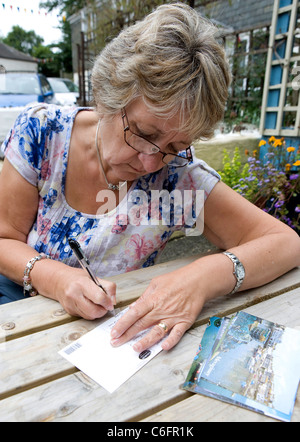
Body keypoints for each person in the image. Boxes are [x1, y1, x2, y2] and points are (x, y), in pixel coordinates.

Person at [0, 3, 299, 355]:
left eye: (176, 145)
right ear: (110, 96)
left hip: (103, 342)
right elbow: (4, 237)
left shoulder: (178, 180)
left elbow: (286, 243)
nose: (150, 162)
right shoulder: (43, 132)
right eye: (143, 133)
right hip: (17, 311)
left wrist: (203, 277)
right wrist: (56, 277)